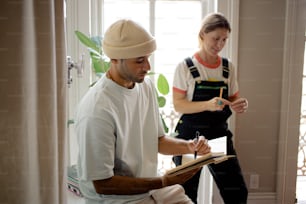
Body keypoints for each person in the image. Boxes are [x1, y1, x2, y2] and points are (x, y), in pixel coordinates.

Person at [75, 19, 211, 204]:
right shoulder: (97, 109)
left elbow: (157, 141)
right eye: (139, 61)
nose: (147, 66)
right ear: (114, 59)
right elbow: (103, 184)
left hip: (153, 187)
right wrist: (164, 181)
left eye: (148, 58)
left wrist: (188, 147)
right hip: (115, 199)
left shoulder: (145, 86)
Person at [172, 13, 249, 204]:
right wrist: (207, 104)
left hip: (217, 136)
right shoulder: (185, 67)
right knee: (186, 195)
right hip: (190, 139)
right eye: (216, 38)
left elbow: (233, 98)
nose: (220, 44)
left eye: (224, 39)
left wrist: (240, 104)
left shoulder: (227, 67)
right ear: (202, 35)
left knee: (237, 192)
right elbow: (178, 104)